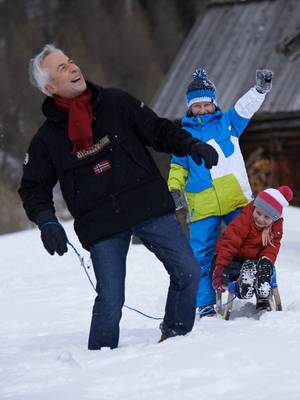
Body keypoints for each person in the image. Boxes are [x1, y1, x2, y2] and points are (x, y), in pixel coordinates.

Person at [18, 44, 219, 349]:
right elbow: (33, 188)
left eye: (72, 62)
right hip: (101, 224)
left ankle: (176, 338)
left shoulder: (115, 102)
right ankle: (100, 360)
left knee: (188, 271)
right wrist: (47, 222)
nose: (74, 68)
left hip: (147, 204)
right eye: (62, 68)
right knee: (111, 298)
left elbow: (158, 130)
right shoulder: (47, 139)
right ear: (50, 87)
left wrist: (190, 144)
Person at [168, 67, 273, 316]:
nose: (203, 109)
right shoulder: (183, 136)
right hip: (202, 205)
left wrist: (259, 90)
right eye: (197, 105)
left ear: (214, 103)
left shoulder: (228, 123)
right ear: (189, 108)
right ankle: (204, 302)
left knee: (256, 243)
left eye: (207, 104)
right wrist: (173, 189)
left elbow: (244, 108)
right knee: (200, 254)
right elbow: (177, 167)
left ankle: (262, 291)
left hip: (236, 199)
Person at [212, 186, 293, 309]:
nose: (260, 219)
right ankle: (242, 286)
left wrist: (266, 260)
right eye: (259, 213)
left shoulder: (274, 228)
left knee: (262, 269)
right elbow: (229, 244)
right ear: (254, 207)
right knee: (230, 270)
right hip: (231, 258)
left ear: (274, 219)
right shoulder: (243, 220)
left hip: (252, 263)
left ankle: (262, 294)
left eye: (267, 217)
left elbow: (272, 247)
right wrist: (219, 267)